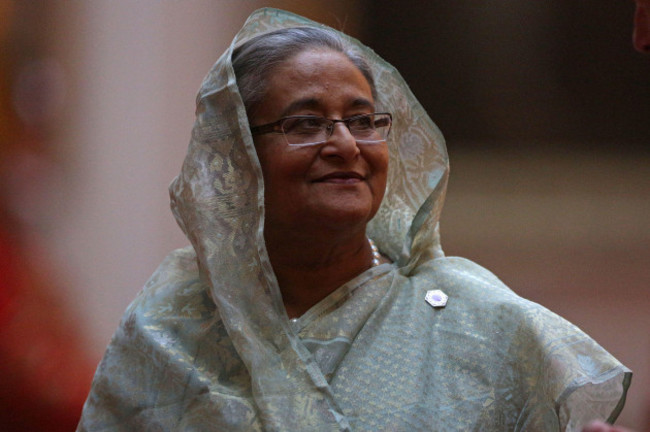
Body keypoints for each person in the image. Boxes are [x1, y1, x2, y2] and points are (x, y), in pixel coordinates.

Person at [77, 8, 631, 431]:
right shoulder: (173, 323)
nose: (345, 145)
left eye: (363, 121)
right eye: (305, 123)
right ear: (239, 158)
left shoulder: (483, 324)